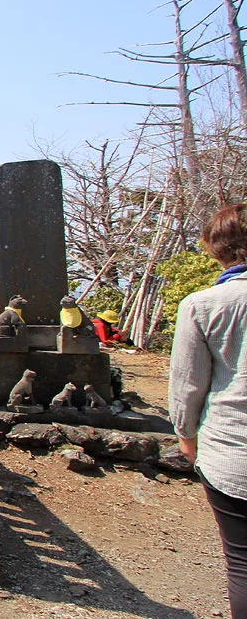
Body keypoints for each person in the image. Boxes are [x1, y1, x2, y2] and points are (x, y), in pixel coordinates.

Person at [169, 203, 247, 618]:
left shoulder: (204, 305)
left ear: (215, 250)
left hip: (234, 448)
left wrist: (187, 436)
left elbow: (187, 384)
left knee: (242, 561)